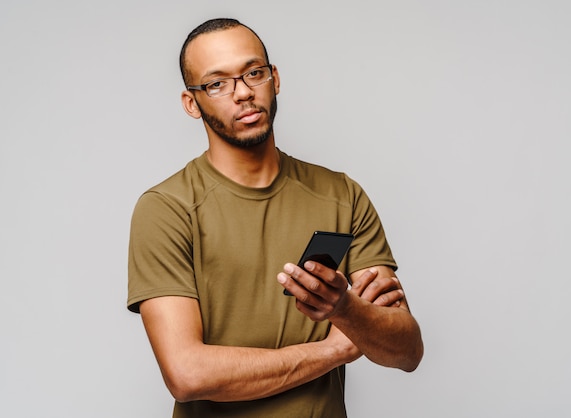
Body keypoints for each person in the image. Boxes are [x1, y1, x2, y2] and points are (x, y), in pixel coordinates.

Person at [127, 17, 423, 418]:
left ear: (275, 78)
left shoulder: (341, 195)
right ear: (191, 103)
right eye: (217, 83)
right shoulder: (167, 208)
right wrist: (334, 348)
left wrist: (346, 311)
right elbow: (187, 374)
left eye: (254, 73)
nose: (244, 93)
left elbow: (405, 351)